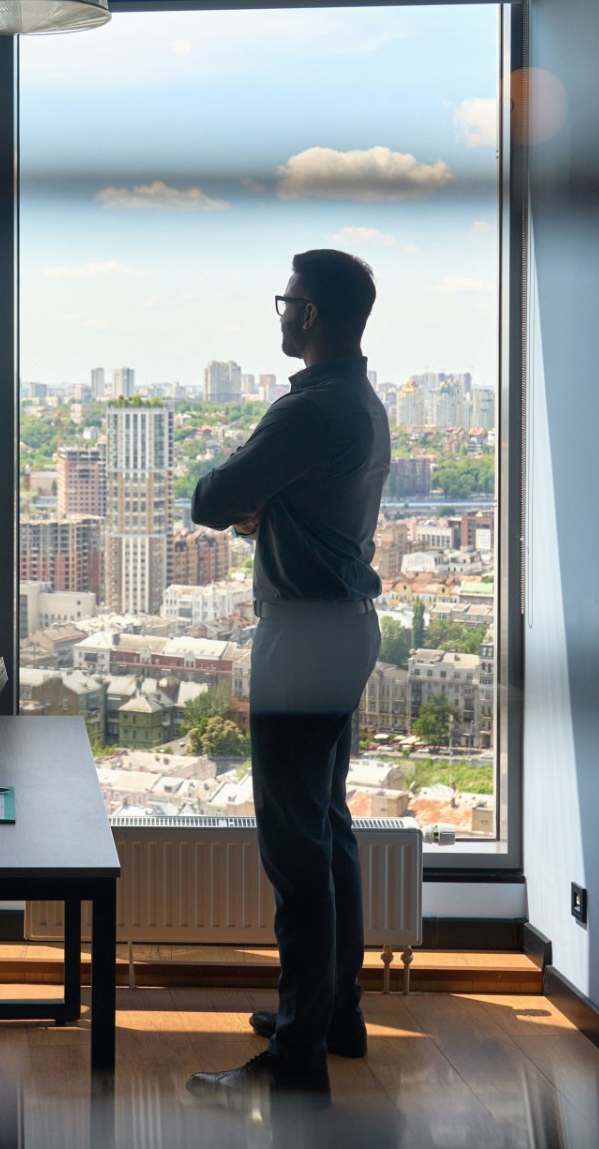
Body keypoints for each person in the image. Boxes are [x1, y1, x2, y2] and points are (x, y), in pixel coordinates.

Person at [185, 249, 391, 1103]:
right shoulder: (360, 402)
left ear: (310, 316)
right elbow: (269, 504)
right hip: (339, 631)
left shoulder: (311, 407)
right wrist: (263, 508)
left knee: (294, 851)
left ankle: (297, 1057)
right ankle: (332, 1015)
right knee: (327, 831)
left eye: (288, 300)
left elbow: (214, 497)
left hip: (302, 638)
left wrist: (243, 497)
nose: (281, 311)